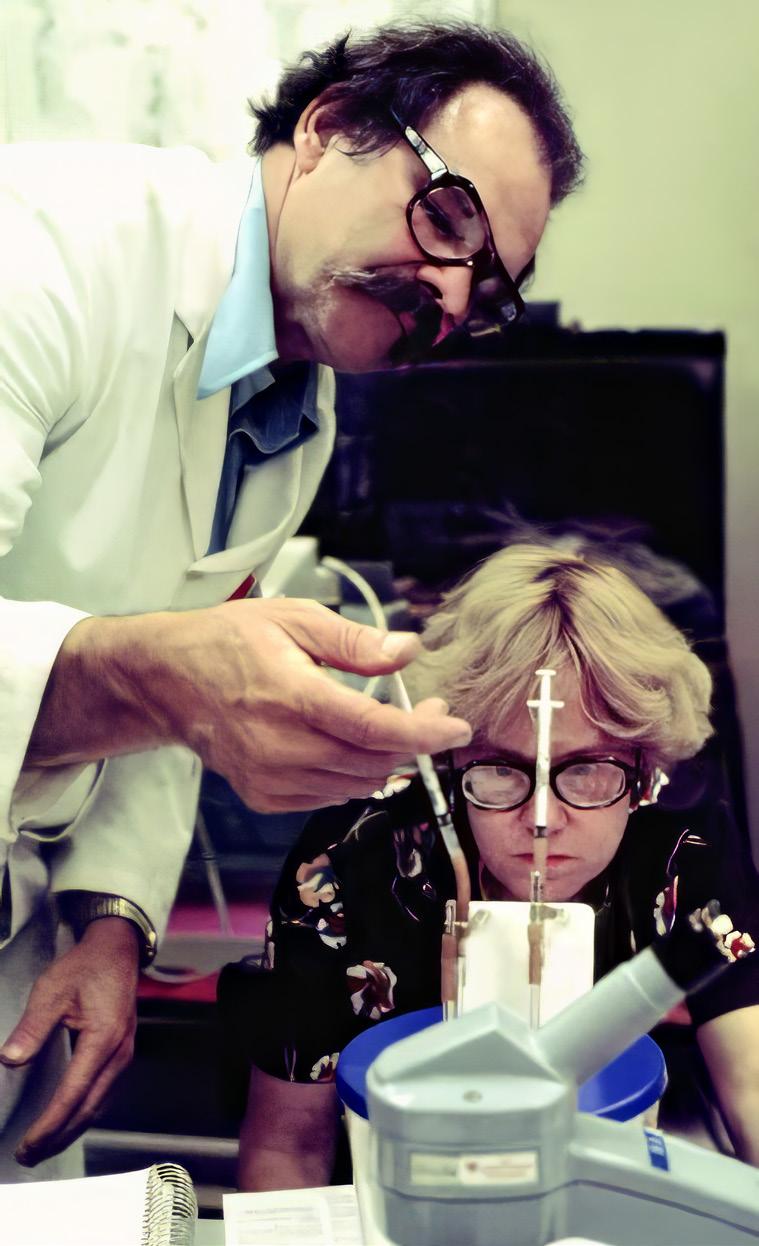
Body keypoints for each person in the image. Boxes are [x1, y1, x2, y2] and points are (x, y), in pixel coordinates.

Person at [0, 22, 583, 1176]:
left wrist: (112, 917)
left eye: (488, 287)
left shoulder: (291, 417)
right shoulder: (42, 244)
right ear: (329, 129)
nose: (452, 291)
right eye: (448, 218)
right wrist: (163, 678)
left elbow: (176, 675)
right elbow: (171, 675)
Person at [232, 543, 759, 1190]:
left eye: (588, 771)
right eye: (501, 771)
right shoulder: (348, 858)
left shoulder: (682, 843)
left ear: (644, 765)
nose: (541, 819)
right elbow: (286, 1148)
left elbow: (752, 1088)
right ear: (450, 758)